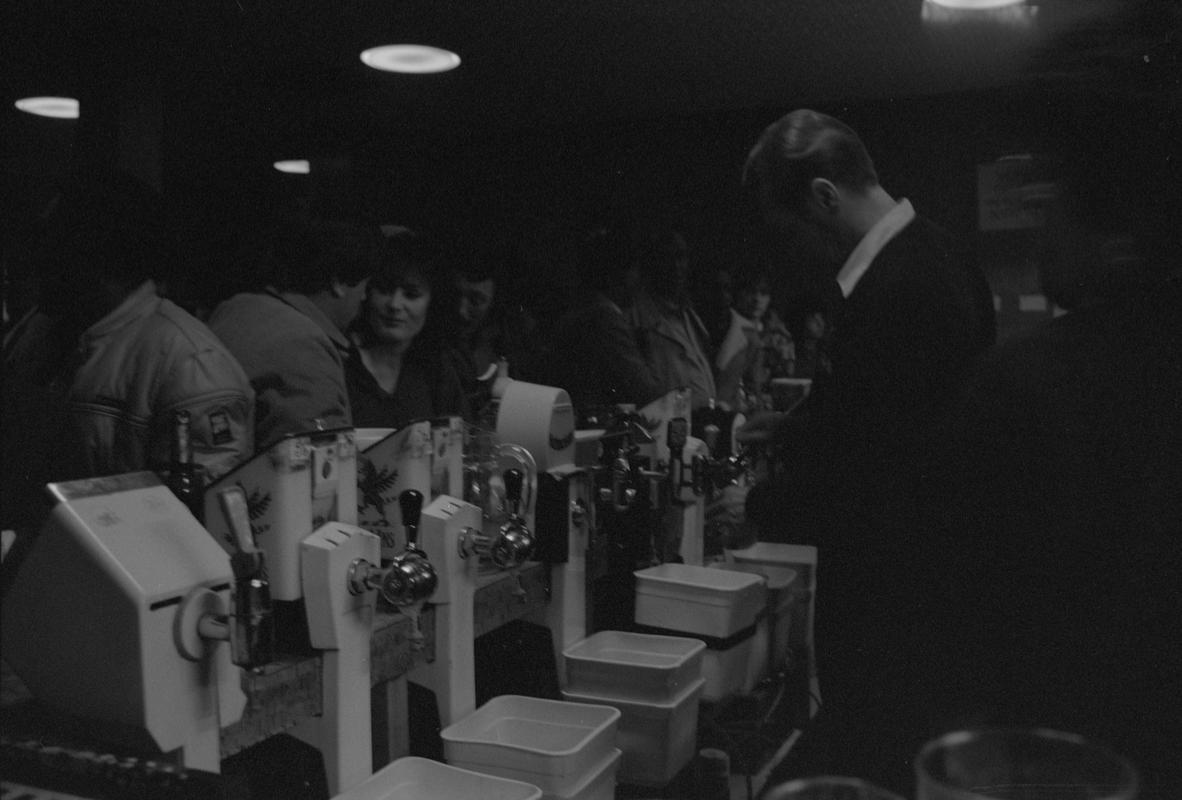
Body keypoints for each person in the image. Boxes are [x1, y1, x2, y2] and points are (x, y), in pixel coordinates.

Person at [735, 109, 995, 791]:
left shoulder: (900, 289)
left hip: (900, 606)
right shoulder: (941, 255)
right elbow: (889, 413)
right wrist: (794, 429)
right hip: (930, 596)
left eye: (791, 230)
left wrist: (758, 504)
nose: (794, 253)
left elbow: (868, 468)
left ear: (824, 196)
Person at [919, 133, 1182, 798]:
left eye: (1053, 205)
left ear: (1116, 230)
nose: (1039, 234)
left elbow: (960, 631)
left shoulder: (1027, 384)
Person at [1, 169, 254, 534]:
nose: (37, 258)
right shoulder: (39, 331)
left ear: (96, 251)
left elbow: (197, 528)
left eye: (51, 240)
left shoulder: (188, 362)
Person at [208, 215, 377, 451]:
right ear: (338, 282)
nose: (364, 297)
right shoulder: (304, 345)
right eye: (364, 287)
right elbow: (312, 467)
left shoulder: (235, 309)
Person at [344, 230, 467, 428]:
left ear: (433, 303)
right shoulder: (341, 359)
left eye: (411, 294)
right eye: (384, 290)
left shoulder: (437, 369)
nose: (394, 304)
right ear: (366, 292)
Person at [539, 223, 664, 414]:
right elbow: (648, 394)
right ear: (618, 274)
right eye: (636, 270)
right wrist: (649, 347)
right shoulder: (605, 319)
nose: (639, 280)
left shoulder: (582, 310)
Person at [627, 226, 719, 411]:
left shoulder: (688, 315)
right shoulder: (637, 317)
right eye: (667, 258)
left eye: (681, 257)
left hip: (701, 425)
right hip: (667, 428)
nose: (676, 266)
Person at [714, 261, 795, 409]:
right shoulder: (727, 325)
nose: (757, 299)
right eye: (751, 291)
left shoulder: (779, 337)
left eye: (763, 293)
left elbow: (787, 382)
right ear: (738, 293)